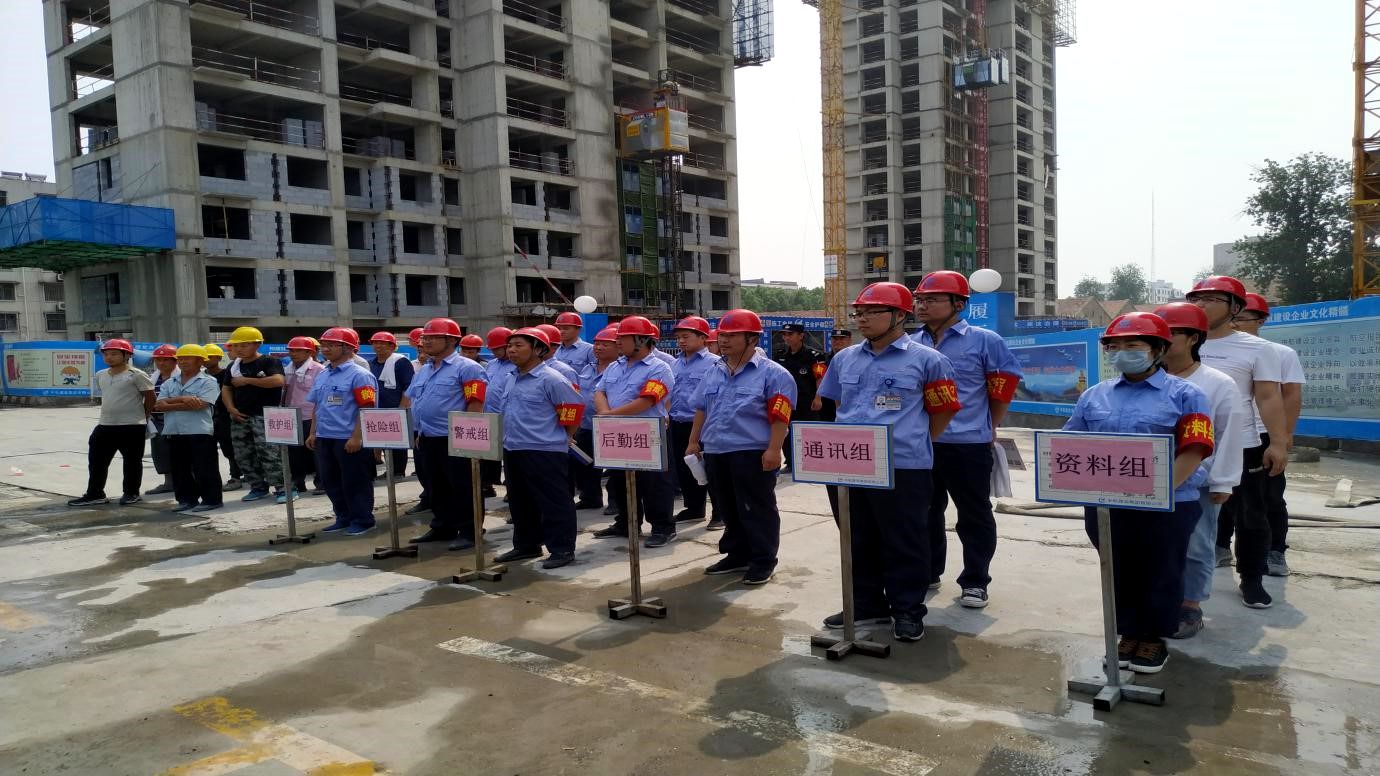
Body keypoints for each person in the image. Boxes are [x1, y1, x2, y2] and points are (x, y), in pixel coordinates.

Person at [1063, 312, 1216, 674]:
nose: (1122, 352)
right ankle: (1129, 632)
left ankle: (1154, 638)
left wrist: (1157, 491)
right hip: (1106, 503)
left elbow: (1195, 449)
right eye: (1114, 346)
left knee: (1161, 569)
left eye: (1133, 345)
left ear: (1158, 349)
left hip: (1169, 503)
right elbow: (1070, 441)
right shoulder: (1094, 395)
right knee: (1118, 567)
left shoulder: (1188, 395)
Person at [815, 282, 961, 642]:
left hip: (903, 467)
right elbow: (839, 403)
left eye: (871, 312)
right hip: (850, 465)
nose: (861, 319)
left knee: (904, 540)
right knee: (856, 537)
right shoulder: (844, 358)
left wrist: (914, 440)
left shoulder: (928, 360)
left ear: (899, 316)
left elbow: (943, 411)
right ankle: (867, 605)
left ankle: (907, 610)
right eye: (858, 312)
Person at [911, 270, 1023, 609]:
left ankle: (975, 581)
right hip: (921, 443)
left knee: (974, 514)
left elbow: (1002, 388)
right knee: (923, 512)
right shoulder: (911, 342)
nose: (922, 305)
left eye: (931, 300)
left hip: (968, 443)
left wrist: (990, 425)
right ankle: (928, 572)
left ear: (958, 304)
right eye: (919, 300)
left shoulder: (985, 340)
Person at [1187, 276, 1288, 609]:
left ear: (1235, 307)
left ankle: (1252, 578)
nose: (1201, 304)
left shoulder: (1258, 349)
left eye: (1211, 299)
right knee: (1186, 513)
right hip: (1187, 443)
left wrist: (1278, 442)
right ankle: (1184, 586)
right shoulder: (1181, 339)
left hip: (1241, 443)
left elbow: (1268, 397)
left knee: (1251, 514)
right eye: (1196, 299)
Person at [686, 309, 795, 584]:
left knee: (756, 507)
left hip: (752, 451)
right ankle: (737, 554)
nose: (723, 340)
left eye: (732, 335)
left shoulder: (773, 374)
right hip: (716, 450)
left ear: (752, 339)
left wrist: (774, 449)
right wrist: (693, 440)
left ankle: (763, 559)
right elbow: (701, 407)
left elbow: (780, 416)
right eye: (722, 334)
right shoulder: (714, 371)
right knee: (728, 506)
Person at [1155, 302, 1244, 639]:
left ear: (1194, 338)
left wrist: (1224, 480)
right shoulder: (1144, 380)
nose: (1162, 340)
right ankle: (1158, 600)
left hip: (1198, 481)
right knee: (1154, 544)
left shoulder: (1217, 383)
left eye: (1171, 333)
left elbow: (1229, 432)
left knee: (1196, 544)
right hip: (1146, 479)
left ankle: (1190, 606)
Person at [493, 327, 586, 569]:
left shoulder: (552, 379)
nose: (511, 350)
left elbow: (573, 410)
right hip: (513, 448)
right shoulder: (511, 377)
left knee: (554, 502)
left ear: (538, 349)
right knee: (520, 501)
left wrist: (564, 436)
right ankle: (526, 545)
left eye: (519, 345)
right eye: (510, 345)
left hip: (545, 451)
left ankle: (562, 549)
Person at [1231, 293, 1304, 577]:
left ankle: (1275, 551)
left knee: (1270, 496)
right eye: (1232, 318)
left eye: (1242, 318)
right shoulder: (1214, 350)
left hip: (1264, 433)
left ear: (1261, 321)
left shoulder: (1280, 353)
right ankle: (1221, 546)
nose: (1235, 323)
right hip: (1231, 434)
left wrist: (1284, 435)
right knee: (1227, 495)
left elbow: (1291, 394)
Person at [592, 315, 678, 547]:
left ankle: (662, 527)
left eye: (623, 338)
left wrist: (610, 415)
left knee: (654, 484)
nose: (618, 342)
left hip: (648, 433)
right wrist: (605, 413)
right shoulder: (615, 366)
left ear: (641, 340)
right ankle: (626, 523)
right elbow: (599, 391)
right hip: (617, 432)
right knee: (620, 481)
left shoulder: (660, 368)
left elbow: (647, 400)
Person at [403, 318, 488, 551]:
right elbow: (416, 399)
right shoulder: (424, 369)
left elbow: (475, 403)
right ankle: (442, 526)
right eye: (425, 338)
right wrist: (420, 431)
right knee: (436, 485)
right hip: (427, 437)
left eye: (433, 338)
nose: (426, 342)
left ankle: (470, 530)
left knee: (464, 486)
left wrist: (470, 440)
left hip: (456, 437)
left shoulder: (468, 368)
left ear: (451, 340)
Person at [306, 327, 380, 536]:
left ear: (348, 348)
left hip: (348, 438)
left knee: (355, 481)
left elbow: (367, 408)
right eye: (323, 344)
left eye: (331, 345)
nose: (325, 349)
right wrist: (313, 432)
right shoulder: (323, 373)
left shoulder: (360, 375)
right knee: (331, 481)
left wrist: (357, 436)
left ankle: (363, 520)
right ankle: (343, 517)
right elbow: (317, 405)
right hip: (325, 437)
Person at [68, 339, 156, 507]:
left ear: (127, 355)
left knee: (132, 461)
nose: (109, 357)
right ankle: (95, 494)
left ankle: (131, 493)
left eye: (114, 354)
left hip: (132, 426)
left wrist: (143, 417)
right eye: (106, 354)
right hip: (105, 425)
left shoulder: (136, 374)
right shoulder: (101, 374)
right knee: (96, 461)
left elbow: (150, 397)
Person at [221, 326, 288, 503]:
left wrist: (247, 381)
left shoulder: (269, 361)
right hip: (241, 417)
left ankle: (284, 488)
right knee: (243, 455)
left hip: (265, 415)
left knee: (270, 454)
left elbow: (278, 381)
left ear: (257, 344)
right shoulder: (233, 366)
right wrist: (231, 408)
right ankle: (258, 487)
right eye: (236, 346)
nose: (239, 349)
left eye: (244, 345)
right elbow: (226, 388)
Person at [154, 345, 224, 513]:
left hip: (199, 430)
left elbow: (201, 404)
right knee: (179, 468)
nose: (183, 361)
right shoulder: (170, 382)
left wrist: (170, 402)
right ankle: (186, 499)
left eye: (188, 358)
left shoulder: (208, 381)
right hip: (174, 430)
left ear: (200, 361)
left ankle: (212, 499)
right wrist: (185, 399)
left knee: (205, 467)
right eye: (180, 358)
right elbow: (158, 405)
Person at [669, 315, 720, 527]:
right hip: (677, 422)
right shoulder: (675, 363)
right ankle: (694, 509)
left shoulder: (715, 363)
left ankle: (720, 513)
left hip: (704, 424)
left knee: (712, 470)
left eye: (686, 336)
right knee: (685, 469)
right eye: (678, 337)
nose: (681, 341)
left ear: (702, 338)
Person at [574, 325, 620, 511]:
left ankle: (616, 502)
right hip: (586, 424)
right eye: (596, 344)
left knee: (615, 466)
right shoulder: (588, 367)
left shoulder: (620, 369)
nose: (599, 347)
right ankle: (590, 498)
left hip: (612, 426)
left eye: (605, 344)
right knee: (585, 464)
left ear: (618, 346)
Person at [773, 323, 826, 471]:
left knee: (810, 431)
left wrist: (818, 397)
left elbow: (820, 378)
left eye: (790, 334)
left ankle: (813, 462)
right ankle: (790, 463)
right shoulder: (780, 355)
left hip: (807, 401)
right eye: (784, 335)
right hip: (786, 402)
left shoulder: (815, 356)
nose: (786, 337)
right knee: (786, 432)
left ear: (801, 336)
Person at [282, 337, 325, 495]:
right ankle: (297, 483)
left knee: (316, 451)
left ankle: (322, 483)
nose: (293, 353)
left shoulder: (319, 369)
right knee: (294, 453)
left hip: (311, 415)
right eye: (291, 350)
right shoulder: (287, 369)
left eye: (298, 350)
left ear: (309, 352)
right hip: (291, 415)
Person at [368, 331, 413, 480]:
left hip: (396, 408)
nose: (378, 346)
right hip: (378, 409)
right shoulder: (371, 364)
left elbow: (408, 387)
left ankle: (398, 471)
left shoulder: (400, 362)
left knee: (397, 443)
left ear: (392, 346)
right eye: (375, 343)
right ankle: (390, 469)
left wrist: (402, 409)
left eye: (382, 343)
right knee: (383, 441)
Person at [481, 326, 517, 501]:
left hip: (508, 417)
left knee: (511, 457)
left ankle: (514, 489)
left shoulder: (517, 365)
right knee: (487, 455)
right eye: (492, 349)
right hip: (490, 416)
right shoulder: (492, 364)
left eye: (498, 349)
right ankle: (487, 485)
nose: (495, 352)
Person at [202, 343, 243, 491]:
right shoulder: (200, 377)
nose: (206, 360)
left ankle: (235, 477)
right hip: (205, 416)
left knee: (230, 448)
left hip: (224, 416)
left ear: (219, 358)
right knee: (207, 450)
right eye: (203, 357)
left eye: (210, 356)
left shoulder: (227, 374)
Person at [145, 344, 179, 496]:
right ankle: (169, 482)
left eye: (166, 360)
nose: (161, 363)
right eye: (158, 360)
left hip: (176, 417)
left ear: (175, 361)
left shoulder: (181, 377)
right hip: (156, 419)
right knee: (160, 451)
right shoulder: (153, 378)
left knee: (179, 450)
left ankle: (186, 480)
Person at [811, 328, 853, 423]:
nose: (838, 341)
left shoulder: (855, 360)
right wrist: (818, 398)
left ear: (850, 340)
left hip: (848, 401)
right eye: (835, 339)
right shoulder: (822, 359)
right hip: (827, 403)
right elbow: (819, 378)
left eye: (842, 339)